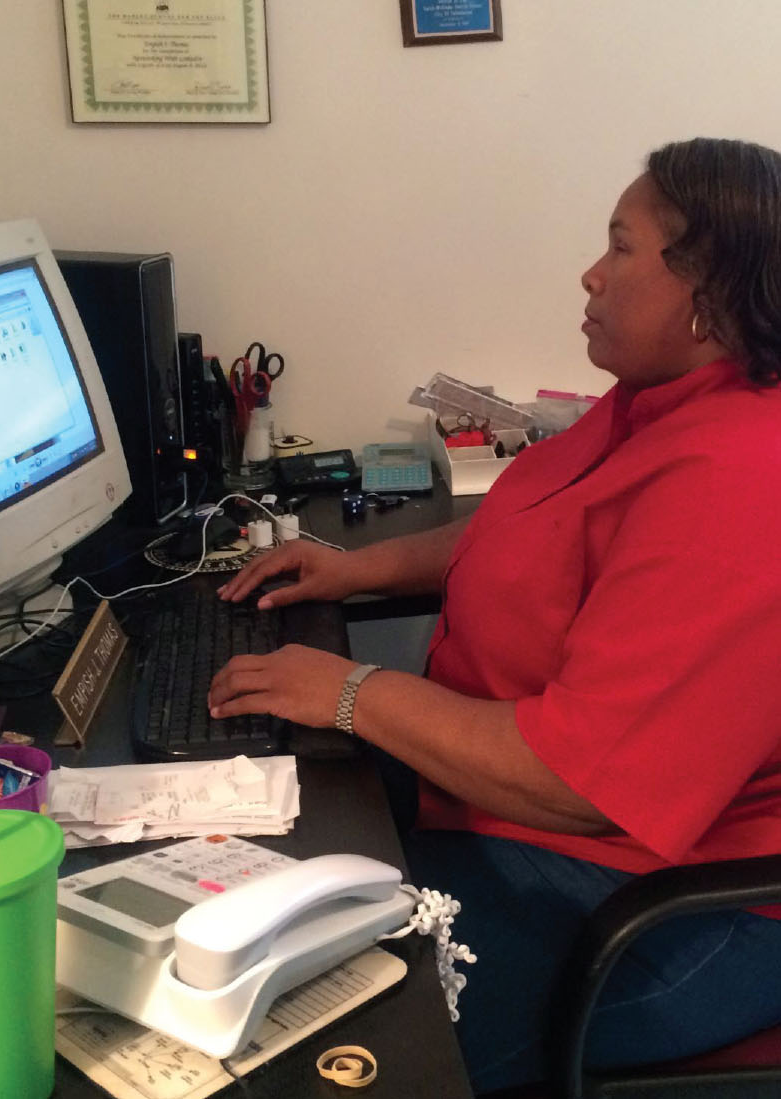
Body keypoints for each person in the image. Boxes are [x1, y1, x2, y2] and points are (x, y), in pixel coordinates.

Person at [212, 137, 781, 1093]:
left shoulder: (741, 479)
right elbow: (531, 531)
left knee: (314, 1057)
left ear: (708, 293)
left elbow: (579, 780)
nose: (591, 274)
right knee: (246, 858)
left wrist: (349, 691)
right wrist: (352, 569)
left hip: (657, 900)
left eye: (622, 249)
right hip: (507, 815)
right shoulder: (652, 402)